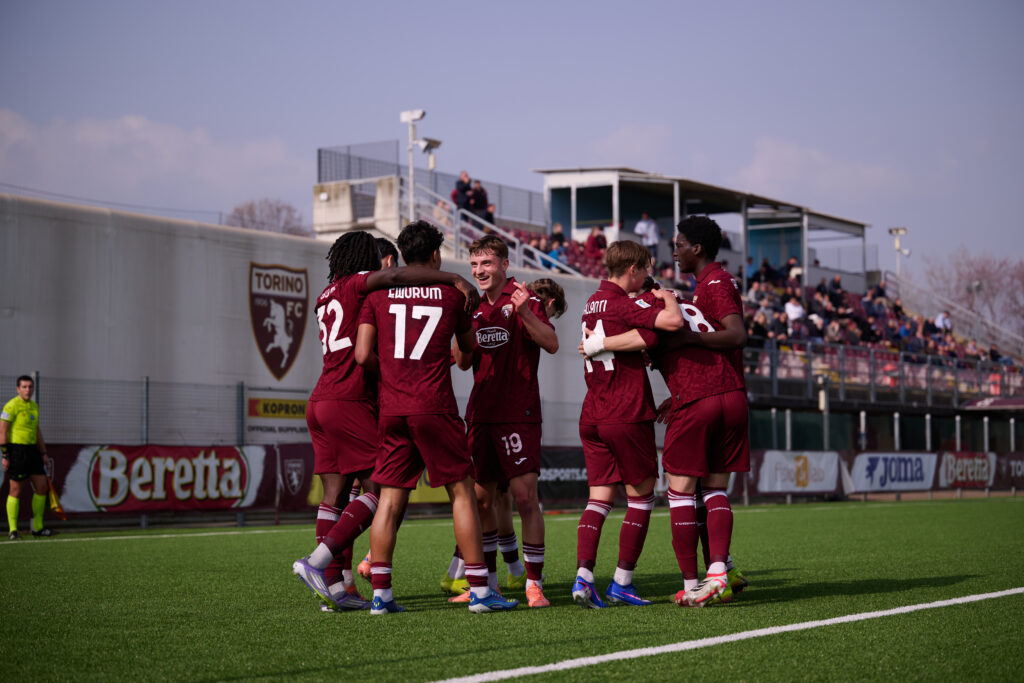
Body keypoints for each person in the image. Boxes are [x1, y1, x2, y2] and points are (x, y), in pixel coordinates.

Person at [291, 229, 481, 612]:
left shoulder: (325, 294)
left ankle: (337, 586)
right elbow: (392, 282)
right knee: (380, 488)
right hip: (351, 397)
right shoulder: (361, 286)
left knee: (336, 496)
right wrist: (452, 278)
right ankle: (319, 561)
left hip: (321, 399)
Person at [583, 216, 750, 607]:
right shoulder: (693, 291)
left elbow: (667, 332)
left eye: (679, 244)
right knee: (714, 490)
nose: (672, 251)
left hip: (697, 402)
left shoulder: (701, 287)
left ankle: (696, 582)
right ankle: (720, 570)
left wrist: (599, 343)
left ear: (698, 248)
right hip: (728, 394)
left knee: (679, 493)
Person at [355, 220, 517, 614]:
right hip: (434, 405)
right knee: (461, 492)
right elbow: (467, 352)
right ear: (434, 255)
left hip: (393, 407)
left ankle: (381, 595)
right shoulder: (452, 293)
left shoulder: (376, 294)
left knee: (389, 498)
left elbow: (362, 355)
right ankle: (479, 590)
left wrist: (394, 374)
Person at [448, 236, 560, 609]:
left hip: (519, 415)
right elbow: (463, 362)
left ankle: (533, 584)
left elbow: (552, 343)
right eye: (475, 265)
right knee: (480, 501)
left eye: (487, 264)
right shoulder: (472, 305)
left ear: (504, 264)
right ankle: (488, 584)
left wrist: (526, 313)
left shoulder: (525, 299)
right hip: (481, 416)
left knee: (526, 498)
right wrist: (458, 324)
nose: (479, 271)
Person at [572, 240, 684, 608]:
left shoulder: (592, 301)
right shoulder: (628, 302)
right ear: (633, 269)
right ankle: (622, 581)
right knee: (641, 497)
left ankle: (584, 576)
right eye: (646, 269)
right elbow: (663, 326)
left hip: (593, 412)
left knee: (599, 498)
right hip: (625, 409)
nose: (648, 275)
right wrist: (664, 296)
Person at [2, 375, 54, 539]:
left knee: (42, 487)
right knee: (15, 490)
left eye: (30, 387)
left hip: (33, 452)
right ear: (18, 389)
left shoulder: (34, 406)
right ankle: (13, 530)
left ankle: (37, 528)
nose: (28, 390)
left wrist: (44, 452)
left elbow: (37, 431)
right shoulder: (11, 406)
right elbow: (2, 431)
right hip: (17, 451)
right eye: (24, 387)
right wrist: (5, 454)